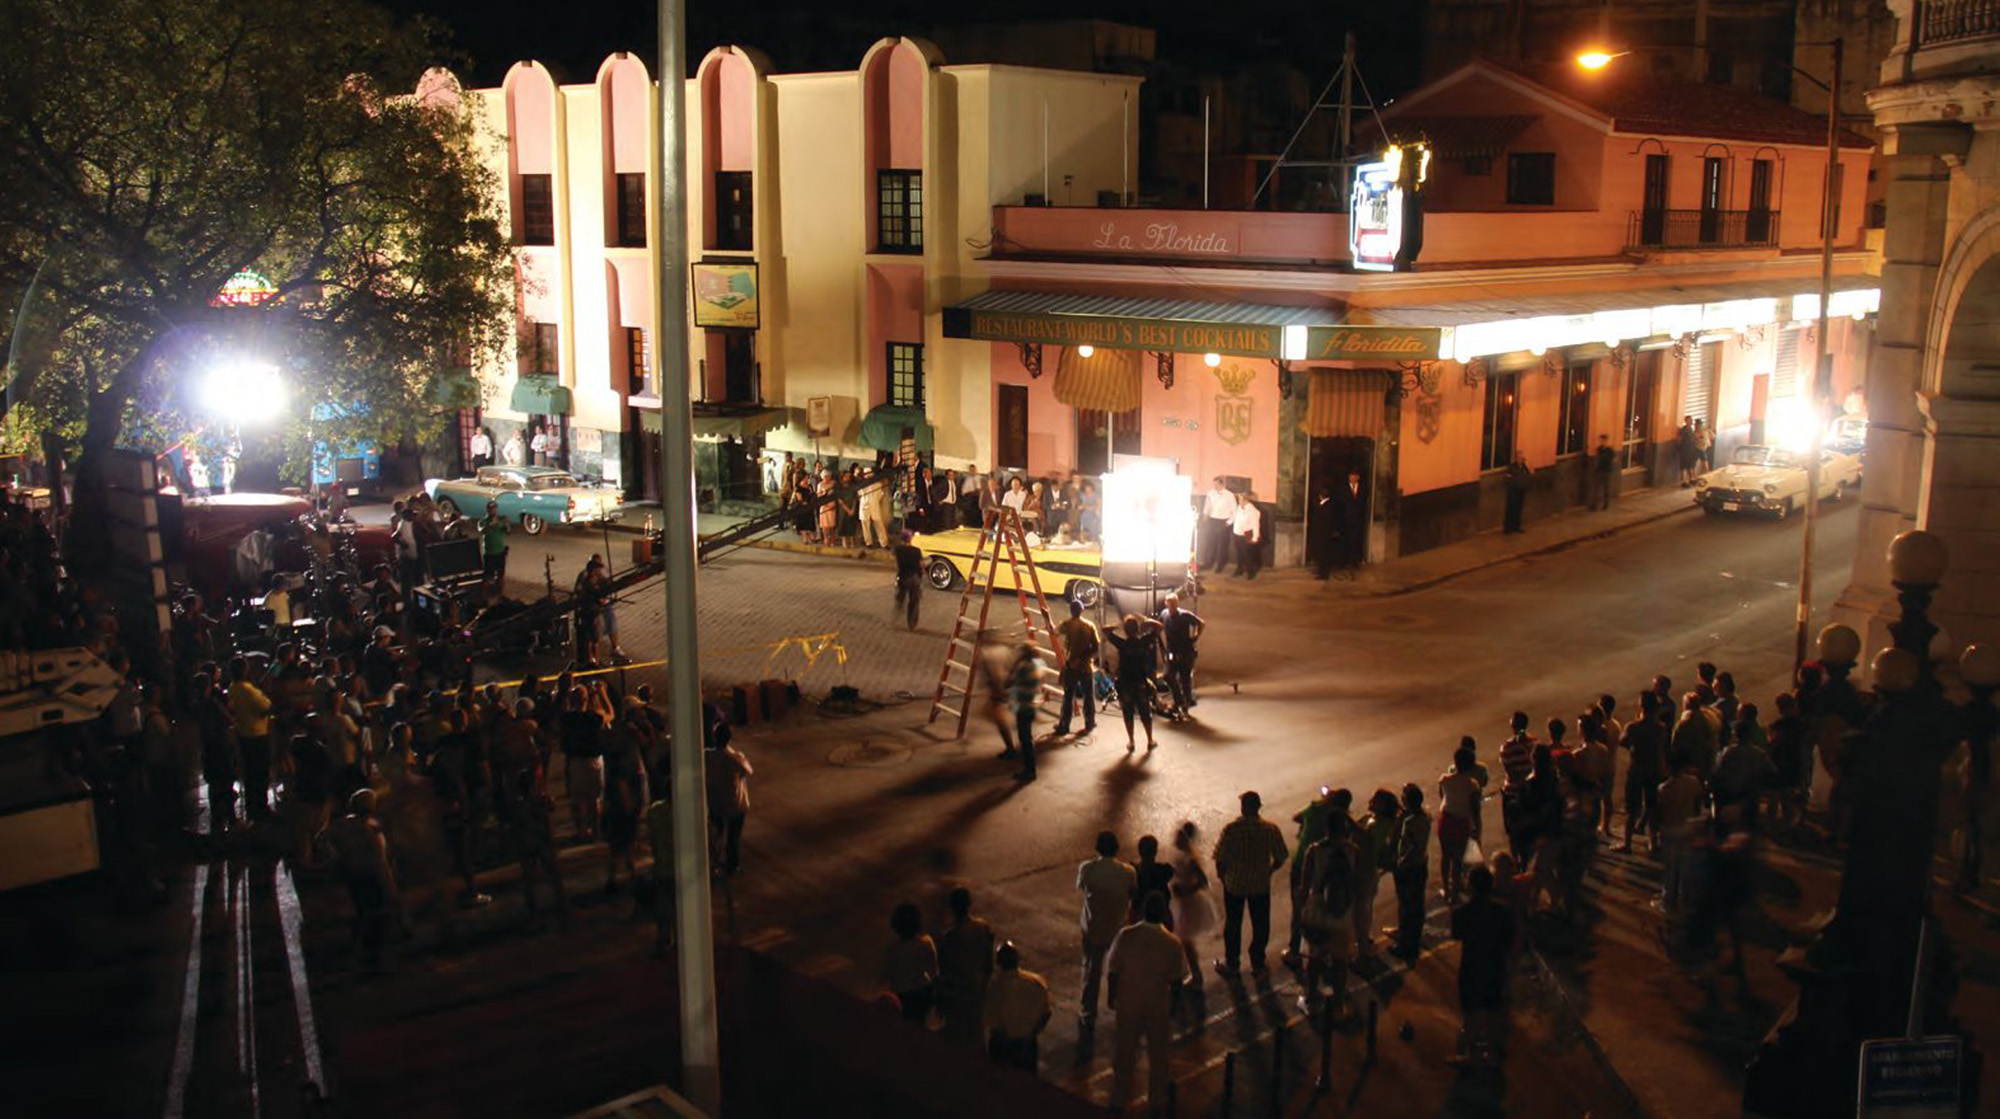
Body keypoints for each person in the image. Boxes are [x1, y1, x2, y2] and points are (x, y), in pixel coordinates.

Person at [1106, 891, 1187, 1113]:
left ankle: (1118, 1100)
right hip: (1157, 1004)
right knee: (1158, 1057)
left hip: (1129, 1001)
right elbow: (1178, 980)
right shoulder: (1172, 943)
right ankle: (1156, 1102)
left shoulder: (1126, 936)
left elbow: (1113, 970)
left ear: (1142, 911)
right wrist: (1175, 1006)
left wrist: (1111, 996)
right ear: (1163, 914)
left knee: (1124, 1053)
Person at [1212, 790, 1289, 977]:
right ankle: (1258, 962)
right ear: (1258, 808)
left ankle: (1232, 962)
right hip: (1260, 885)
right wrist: (1269, 871)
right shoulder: (1270, 829)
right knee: (1261, 923)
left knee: (1233, 923)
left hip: (1235, 885)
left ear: (1243, 807)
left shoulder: (1231, 829)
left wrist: (1223, 878)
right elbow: (1281, 856)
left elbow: (1220, 858)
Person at [319, 788, 399, 966]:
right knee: (378, 913)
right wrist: (389, 884)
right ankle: (374, 955)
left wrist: (336, 861)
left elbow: (322, 840)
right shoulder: (372, 826)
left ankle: (359, 948)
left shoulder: (341, 825)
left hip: (353, 874)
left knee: (363, 910)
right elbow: (380, 859)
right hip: (371, 875)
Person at [1449, 866, 1515, 1067]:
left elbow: (1457, 934)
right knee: (1493, 1008)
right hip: (1495, 966)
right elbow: (1508, 940)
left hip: (1471, 966)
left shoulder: (1461, 913)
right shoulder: (1502, 912)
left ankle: (1473, 1054)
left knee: (1471, 1012)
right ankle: (1493, 1052)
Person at [1294, 809, 1356, 1015]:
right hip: (1342, 913)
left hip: (1318, 910)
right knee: (1340, 961)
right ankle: (1338, 1003)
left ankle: (1311, 1000)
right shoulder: (1352, 851)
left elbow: (1305, 885)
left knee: (1314, 958)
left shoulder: (1315, 851)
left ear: (1326, 829)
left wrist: (1301, 910)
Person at [1077, 830, 1137, 1029]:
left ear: (1097, 848)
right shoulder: (1128, 872)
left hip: (1093, 927)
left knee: (1091, 972)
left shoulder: (1087, 869)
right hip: (1117, 929)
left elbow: (1082, 888)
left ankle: (1088, 1012)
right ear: (1117, 849)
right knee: (1119, 971)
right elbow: (1132, 894)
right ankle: (1119, 1005)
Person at [937, 887, 997, 1049]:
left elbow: (944, 971)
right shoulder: (983, 928)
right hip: (977, 991)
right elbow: (989, 963)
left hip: (959, 995)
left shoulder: (950, 937)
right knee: (976, 1035)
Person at [1284, 786, 1338, 967]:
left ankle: (1294, 950)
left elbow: (1296, 816)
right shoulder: (1341, 820)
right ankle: (1323, 949)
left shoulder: (1315, 810)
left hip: (1304, 865)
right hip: (1327, 868)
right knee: (1321, 906)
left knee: (1299, 906)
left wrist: (1319, 803)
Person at [984, 942, 1052, 1074]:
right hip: (1028, 1044)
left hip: (1004, 1046)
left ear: (999, 963)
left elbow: (989, 1020)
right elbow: (1046, 1013)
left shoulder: (996, 987)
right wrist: (1031, 1034)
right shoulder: (1036, 982)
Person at [1102, 614, 1162, 752]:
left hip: (1125, 684)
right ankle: (1150, 740)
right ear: (1137, 629)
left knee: (1127, 713)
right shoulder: (1144, 641)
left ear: (1126, 630)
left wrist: (1117, 625)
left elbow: (1105, 630)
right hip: (1141, 683)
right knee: (1145, 714)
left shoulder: (1122, 643)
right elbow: (1160, 627)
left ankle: (1131, 741)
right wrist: (1147, 622)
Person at [227, 657, 274, 821]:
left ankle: (252, 805)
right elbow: (266, 706)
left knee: (250, 773)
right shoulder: (247, 689)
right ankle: (260, 806)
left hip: (243, 733)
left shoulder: (232, 687)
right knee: (260, 773)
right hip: (256, 733)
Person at [1167, 821, 1212, 986]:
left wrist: (1186, 890)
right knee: (1182, 940)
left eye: (1178, 837)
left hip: (1188, 902)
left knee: (1185, 940)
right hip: (1181, 901)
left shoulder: (1191, 859)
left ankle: (1195, 974)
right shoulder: (1183, 855)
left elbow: (1203, 882)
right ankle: (1189, 971)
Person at [1391, 784, 1432, 958]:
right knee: (1415, 904)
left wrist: (1401, 861)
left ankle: (1407, 944)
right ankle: (1409, 937)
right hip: (1419, 865)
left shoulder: (1410, 821)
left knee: (1408, 906)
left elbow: (1412, 846)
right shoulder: (1424, 816)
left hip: (1410, 868)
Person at [1438, 746, 1482, 905]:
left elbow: (1442, 797)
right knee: (1457, 859)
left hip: (1446, 820)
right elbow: (1474, 808)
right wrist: (1476, 827)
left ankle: (1446, 887)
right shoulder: (1472, 784)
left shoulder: (1444, 779)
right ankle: (1454, 892)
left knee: (1446, 855)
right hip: (1461, 822)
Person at [883, 902, 939, 1024]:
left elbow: (884, 976)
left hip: (900, 995)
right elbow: (934, 973)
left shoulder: (891, 949)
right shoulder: (925, 943)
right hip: (920, 995)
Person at [706, 733, 752, 876]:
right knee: (733, 837)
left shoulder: (707, 755)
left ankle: (713, 861)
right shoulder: (734, 758)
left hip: (715, 802)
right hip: (734, 803)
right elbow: (748, 771)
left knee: (716, 834)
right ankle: (732, 865)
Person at [1053, 598, 1099, 737]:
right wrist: (1085, 658)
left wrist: (1045, 615)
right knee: (1088, 696)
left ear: (1071, 610)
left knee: (1068, 697)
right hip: (1086, 667)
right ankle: (1089, 723)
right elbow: (1096, 647)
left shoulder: (1067, 624)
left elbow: (1053, 632)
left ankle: (1064, 725)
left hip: (1071, 666)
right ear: (1082, 610)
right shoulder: (1089, 626)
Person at [1157, 593, 1203, 715]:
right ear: (1166, 603)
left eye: (1173, 603)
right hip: (1172, 653)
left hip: (1185, 653)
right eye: (1168, 603)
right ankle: (1179, 700)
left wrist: (1196, 636)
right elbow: (1159, 625)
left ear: (1177, 603)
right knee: (1167, 675)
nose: (1171, 605)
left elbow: (1201, 623)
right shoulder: (1164, 614)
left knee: (1185, 680)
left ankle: (1185, 705)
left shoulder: (1185, 615)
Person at [1005, 643, 1045, 781]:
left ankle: (1029, 770)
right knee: (1026, 736)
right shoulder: (1038, 664)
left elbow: (1008, 683)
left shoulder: (1022, 667)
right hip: (1032, 704)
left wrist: (1014, 665)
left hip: (1023, 706)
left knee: (1025, 738)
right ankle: (1029, 768)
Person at [1199, 477, 1238, 572]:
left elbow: (1235, 510)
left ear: (1222, 485)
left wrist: (1228, 522)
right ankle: (1208, 563)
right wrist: (1205, 516)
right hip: (1212, 520)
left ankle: (1220, 565)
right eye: (1214, 484)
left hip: (1223, 521)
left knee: (1222, 545)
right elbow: (1207, 505)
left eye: (1217, 484)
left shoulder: (1230, 495)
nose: (1215, 486)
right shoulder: (1210, 493)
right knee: (1210, 543)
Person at [1334, 470, 1368, 571]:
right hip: (1345, 520)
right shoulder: (1343, 489)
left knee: (1355, 540)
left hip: (1357, 520)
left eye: (1355, 476)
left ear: (1358, 477)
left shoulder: (1362, 489)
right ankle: (1342, 561)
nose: (1353, 478)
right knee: (1344, 541)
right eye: (1351, 476)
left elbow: (1363, 503)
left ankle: (1354, 561)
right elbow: (1339, 505)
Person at [891, 530, 923, 631]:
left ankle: (895, 620)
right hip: (914, 577)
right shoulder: (916, 550)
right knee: (914, 601)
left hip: (903, 576)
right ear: (910, 539)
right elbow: (920, 565)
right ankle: (912, 624)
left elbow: (893, 556)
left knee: (900, 598)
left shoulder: (898, 550)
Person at [1230, 489, 1263, 578]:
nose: (1239, 501)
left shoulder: (1252, 510)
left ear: (1245, 500)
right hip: (1237, 533)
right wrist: (1229, 522)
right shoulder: (1239, 508)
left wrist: (1255, 537)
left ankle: (1250, 572)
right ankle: (1239, 569)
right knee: (1239, 554)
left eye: (1240, 499)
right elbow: (1234, 517)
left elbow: (1255, 524)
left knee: (1247, 555)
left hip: (1245, 535)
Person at [477, 501, 510, 583]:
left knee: (501, 576)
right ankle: (488, 592)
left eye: (495, 509)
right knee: (488, 577)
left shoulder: (500, 520)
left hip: (500, 553)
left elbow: (508, 532)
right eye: (491, 509)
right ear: (487, 510)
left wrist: (507, 524)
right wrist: (492, 524)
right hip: (489, 553)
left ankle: (499, 591)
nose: (493, 511)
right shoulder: (483, 521)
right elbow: (482, 530)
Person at [1502, 450, 1532, 534]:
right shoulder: (1511, 467)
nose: (1521, 460)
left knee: (1519, 508)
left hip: (1521, 490)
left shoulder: (1524, 467)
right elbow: (1508, 478)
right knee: (1511, 509)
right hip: (1513, 491)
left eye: (1522, 458)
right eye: (1520, 458)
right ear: (1516, 458)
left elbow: (1528, 474)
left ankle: (1516, 526)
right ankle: (1508, 528)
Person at [1590, 434, 1618, 510]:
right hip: (1600, 470)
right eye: (1601, 440)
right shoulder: (1599, 449)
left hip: (1607, 470)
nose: (1602, 442)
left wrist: (1609, 465)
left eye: (1603, 440)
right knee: (1597, 489)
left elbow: (1614, 460)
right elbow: (1597, 458)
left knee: (1606, 488)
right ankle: (1595, 505)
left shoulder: (1610, 450)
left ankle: (1606, 505)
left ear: (1606, 441)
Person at [1676, 416, 1699, 487]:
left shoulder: (1691, 429)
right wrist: (1680, 448)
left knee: (1690, 465)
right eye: (1689, 420)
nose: (1691, 421)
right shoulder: (1684, 430)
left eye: (1691, 420)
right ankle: (1683, 482)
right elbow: (1679, 440)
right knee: (1684, 467)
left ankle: (1691, 479)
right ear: (1686, 421)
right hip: (1684, 451)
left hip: (1691, 450)